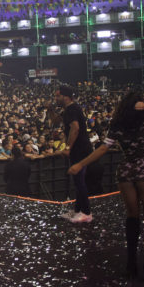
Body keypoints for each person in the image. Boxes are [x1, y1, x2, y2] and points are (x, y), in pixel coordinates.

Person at [70, 92, 144, 281]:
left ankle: (131, 265)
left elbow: (102, 149)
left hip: (126, 172)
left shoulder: (117, 126)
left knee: (132, 217)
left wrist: (80, 164)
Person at [55, 86, 94, 223]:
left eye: (58, 96)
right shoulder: (72, 108)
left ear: (66, 97)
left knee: (79, 181)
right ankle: (78, 210)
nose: (56, 99)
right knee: (78, 181)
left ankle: (86, 213)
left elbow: (75, 128)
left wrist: (67, 148)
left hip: (79, 149)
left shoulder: (71, 109)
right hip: (81, 149)